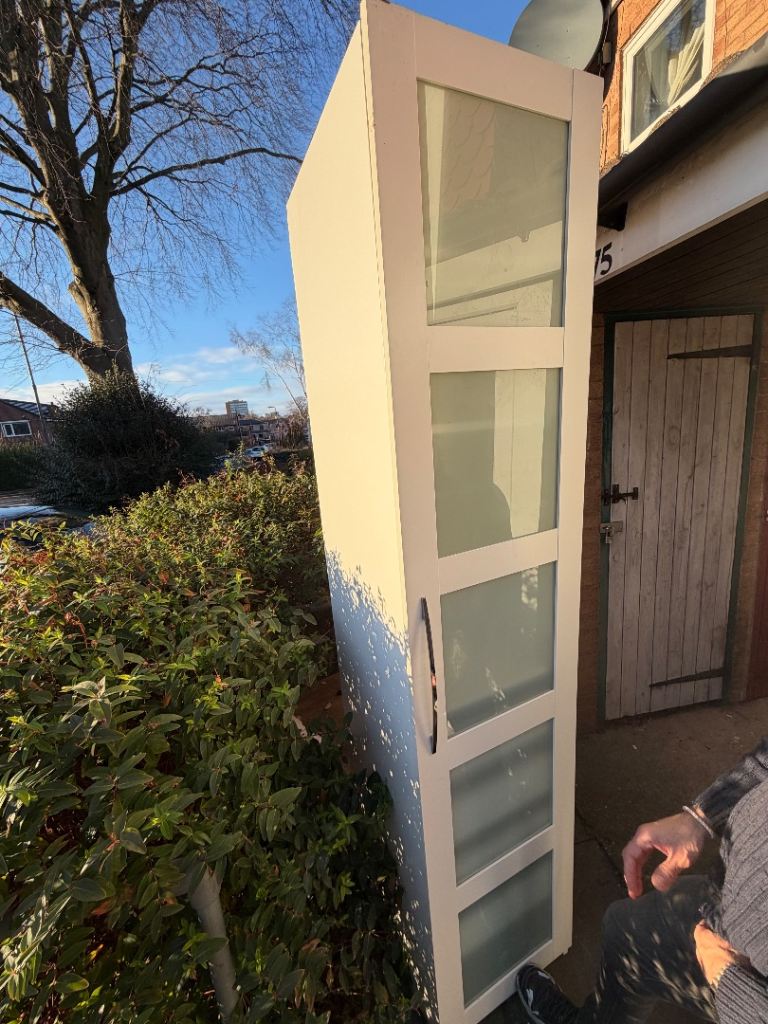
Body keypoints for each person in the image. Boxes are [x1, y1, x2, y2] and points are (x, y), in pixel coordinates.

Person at [516, 738, 768, 1023]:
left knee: (627, 934)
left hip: (745, 966)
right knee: (628, 926)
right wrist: (702, 816)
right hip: (732, 896)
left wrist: (730, 983)